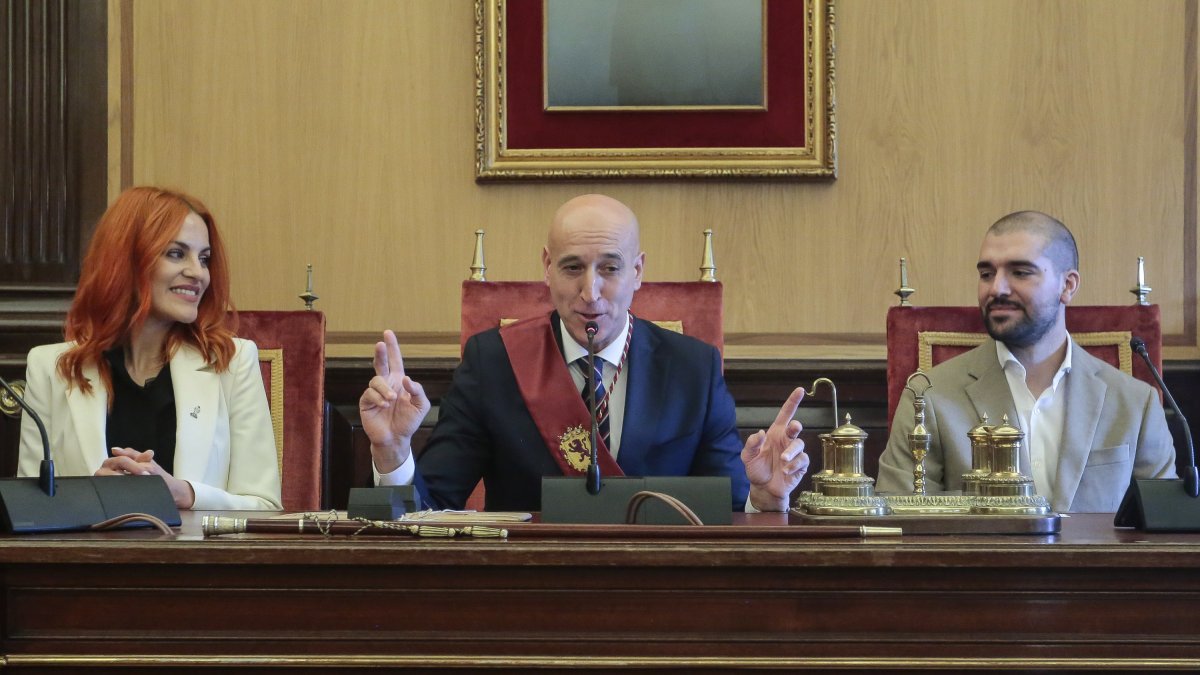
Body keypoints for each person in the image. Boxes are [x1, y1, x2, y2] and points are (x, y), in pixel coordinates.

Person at [360, 194, 808, 512]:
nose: (590, 292)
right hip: (525, 596)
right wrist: (394, 452)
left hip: (662, 599)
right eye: (573, 267)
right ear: (547, 268)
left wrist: (764, 498)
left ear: (637, 271)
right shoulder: (494, 362)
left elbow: (730, 510)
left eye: (609, 269)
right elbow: (430, 507)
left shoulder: (693, 369)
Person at [877, 211, 1176, 512]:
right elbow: (897, 521)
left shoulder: (1136, 404)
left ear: (1068, 285)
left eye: (1020, 272)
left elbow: (1163, 532)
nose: (996, 288)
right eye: (986, 274)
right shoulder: (928, 397)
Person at [17, 187, 282, 510]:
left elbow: (265, 505)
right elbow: (29, 510)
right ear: (125, 260)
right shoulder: (50, 367)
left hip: (197, 560)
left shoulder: (233, 362)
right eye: (176, 253)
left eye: (203, 258)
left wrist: (184, 493)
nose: (198, 273)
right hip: (91, 560)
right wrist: (91, 495)